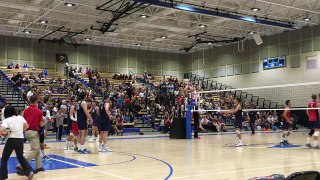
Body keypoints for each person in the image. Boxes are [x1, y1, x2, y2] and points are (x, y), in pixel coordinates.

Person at [0, 106, 34, 180]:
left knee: (4, 159)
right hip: (20, 140)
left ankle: (2, 177)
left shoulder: (7, 120)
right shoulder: (20, 118)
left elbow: (1, 131)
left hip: (11, 140)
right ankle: (29, 171)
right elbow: (27, 126)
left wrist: (8, 131)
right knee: (20, 157)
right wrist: (18, 130)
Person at [16, 95, 45, 175]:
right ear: (36, 101)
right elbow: (41, 124)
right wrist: (45, 121)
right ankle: (22, 164)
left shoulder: (25, 110)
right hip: (33, 131)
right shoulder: (39, 111)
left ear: (29, 101)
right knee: (35, 149)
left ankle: (39, 167)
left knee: (37, 148)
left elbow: (22, 120)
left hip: (26, 132)